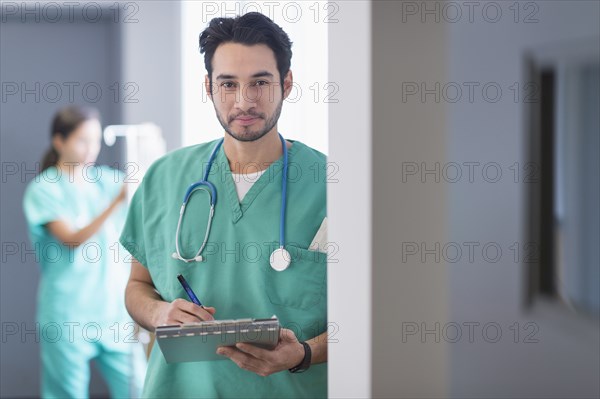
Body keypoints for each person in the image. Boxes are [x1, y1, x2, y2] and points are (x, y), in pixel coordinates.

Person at [120, 12, 328, 398]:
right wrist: (159, 314)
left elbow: (370, 319)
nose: (244, 101)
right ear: (208, 87)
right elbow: (138, 285)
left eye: (260, 83)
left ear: (287, 83)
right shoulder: (164, 177)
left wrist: (302, 353)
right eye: (228, 84)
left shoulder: (333, 184)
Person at [22, 106, 146, 398]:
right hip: (69, 313)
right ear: (59, 141)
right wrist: (116, 202)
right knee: (67, 393)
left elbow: (145, 198)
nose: (91, 148)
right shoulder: (45, 189)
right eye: (82, 140)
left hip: (113, 311)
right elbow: (72, 239)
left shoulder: (107, 180)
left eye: (96, 139)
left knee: (139, 389)